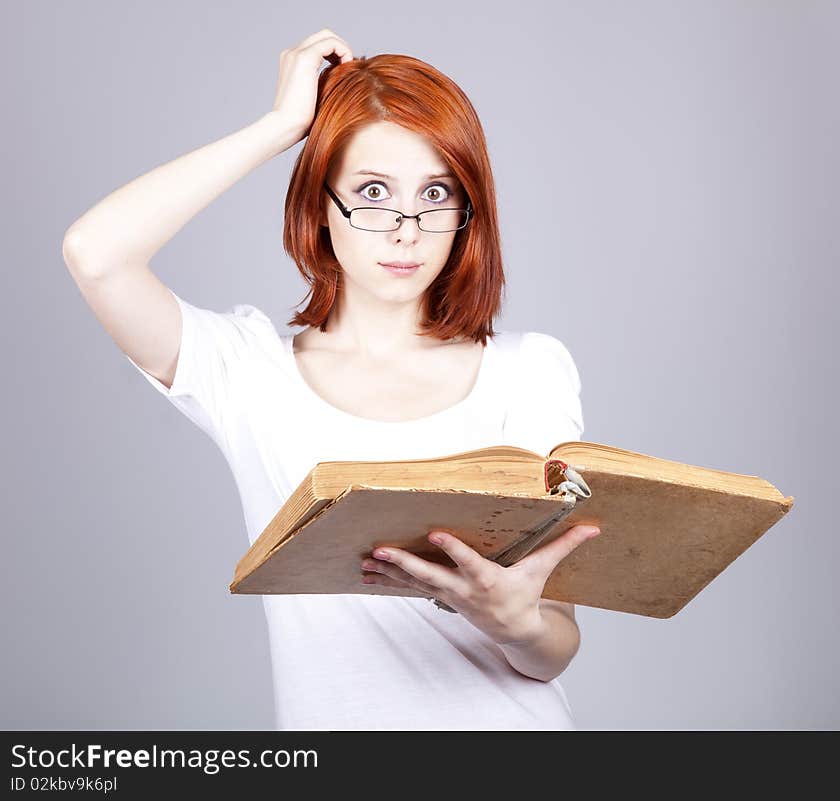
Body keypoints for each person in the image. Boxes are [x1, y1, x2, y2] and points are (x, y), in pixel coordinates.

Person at [62, 28, 602, 731]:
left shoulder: (528, 369)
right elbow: (95, 253)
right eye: (373, 191)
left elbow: (554, 644)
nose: (407, 228)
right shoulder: (249, 371)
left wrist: (514, 622)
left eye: (436, 192)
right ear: (322, 205)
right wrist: (280, 126)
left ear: (467, 214)